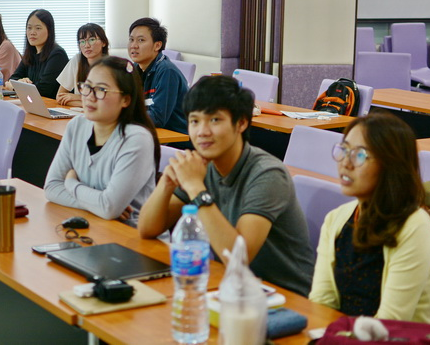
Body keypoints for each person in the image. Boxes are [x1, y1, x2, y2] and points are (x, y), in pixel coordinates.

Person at [138, 75, 314, 296]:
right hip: (233, 287)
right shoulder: (202, 165)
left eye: (214, 120)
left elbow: (239, 257)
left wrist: (196, 188)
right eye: (194, 121)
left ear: (241, 123)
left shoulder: (267, 174)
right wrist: (166, 183)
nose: (202, 131)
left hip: (286, 298)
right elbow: (147, 229)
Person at [309, 112, 430, 323]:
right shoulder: (336, 218)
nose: (345, 163)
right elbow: (321, 302)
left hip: (395, 336)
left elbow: (390, 321)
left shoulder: (415, 226)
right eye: (344, 150)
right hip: (342, 333)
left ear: (390, 165)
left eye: (359, 155)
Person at [44, 56, 160, 228]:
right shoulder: (77, 125)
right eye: (87, 86)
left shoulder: (136, 139)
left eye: (101, 90)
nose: (89, 96)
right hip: (93, 227)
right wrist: (97, 205)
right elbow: (52, 187)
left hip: (130, 235)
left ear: (126, 100)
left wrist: (70, 183)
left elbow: (109, 207)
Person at [128, 17, 187, 135]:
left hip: (177, 139)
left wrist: (121, 116)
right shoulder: (134, 68)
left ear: (157, 45)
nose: (134, 45)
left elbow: (157, 117)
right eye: (131, 39)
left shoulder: (167, 71)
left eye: (141, 40)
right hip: (151, 134)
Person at [9, 9, 68, 97]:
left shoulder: (57, 54)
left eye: (38, 28)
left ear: (49, 31)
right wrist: (20, 82)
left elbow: (43, 90)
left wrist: (18, 86)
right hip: (33, 102)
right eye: (29, 28)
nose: (32, 32)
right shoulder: (31, 53)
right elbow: (12, 79)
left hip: (52, 104)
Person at [55, 23, 109, 107]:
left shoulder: (111, 66)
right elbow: (60, 96)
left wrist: (77, 97)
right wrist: (86, 104)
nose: (87, 46)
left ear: (104, 42)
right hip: (79, 112)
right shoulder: (77, 60)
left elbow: (105, 102)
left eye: (92, 40)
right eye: (82, 41)